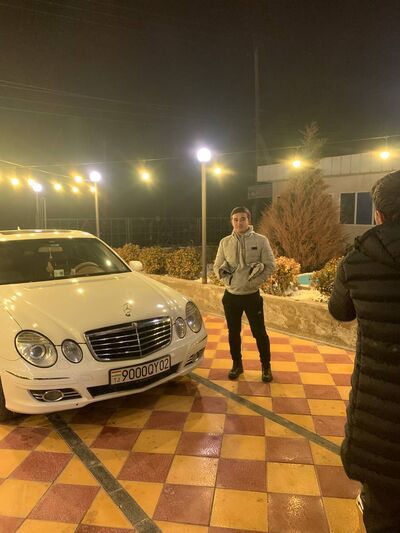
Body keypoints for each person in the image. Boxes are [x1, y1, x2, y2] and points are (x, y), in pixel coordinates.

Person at [328, 170, 400, 533]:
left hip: (378, 414)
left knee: (383, 511)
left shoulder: (357, 259)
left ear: (379, 214)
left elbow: (340, 311)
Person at [213, 206, 276, 382]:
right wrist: (229, 282)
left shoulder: (261, 240)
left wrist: (253, 283)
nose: (239, 222)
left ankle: (266, 367)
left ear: (249, 220)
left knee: (259, 333)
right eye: (235, 219)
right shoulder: (225, 242)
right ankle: (237, 365)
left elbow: (270, 265)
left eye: (242, 219)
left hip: (252, 296)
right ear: (231, 222)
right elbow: (217, 266)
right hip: (231, 297)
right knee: (233, 333)